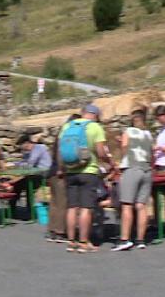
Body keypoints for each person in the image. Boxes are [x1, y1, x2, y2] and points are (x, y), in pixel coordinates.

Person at [59, 104, 116, 253]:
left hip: (71, 171)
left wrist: (63, 168)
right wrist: (109, 163)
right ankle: (84, 242)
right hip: (88, 171)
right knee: (86, 208)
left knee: (72, 207)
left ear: (83, 113)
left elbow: (61, 151)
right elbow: (101, 152)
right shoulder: (95, 128)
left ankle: (71, 241)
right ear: (96, 115)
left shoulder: (66, 127)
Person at [112, 109, 154, 251]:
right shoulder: (148, 134)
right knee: (141, 205)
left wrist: (122, 154)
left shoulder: (128, 132)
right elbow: (151, 152)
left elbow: (125, 147)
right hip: (146, 169)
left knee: (127, 205)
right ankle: (140, 239)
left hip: (132, 168)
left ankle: (125, 238)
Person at [45, 114, 79, 243]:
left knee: (54, 203)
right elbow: (60, 152)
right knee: (62, 202)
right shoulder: (67, 134)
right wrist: (61, 168)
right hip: (60, 172)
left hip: (52, 171)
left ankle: (52, 230)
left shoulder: (60, 132)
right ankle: (60, 232)